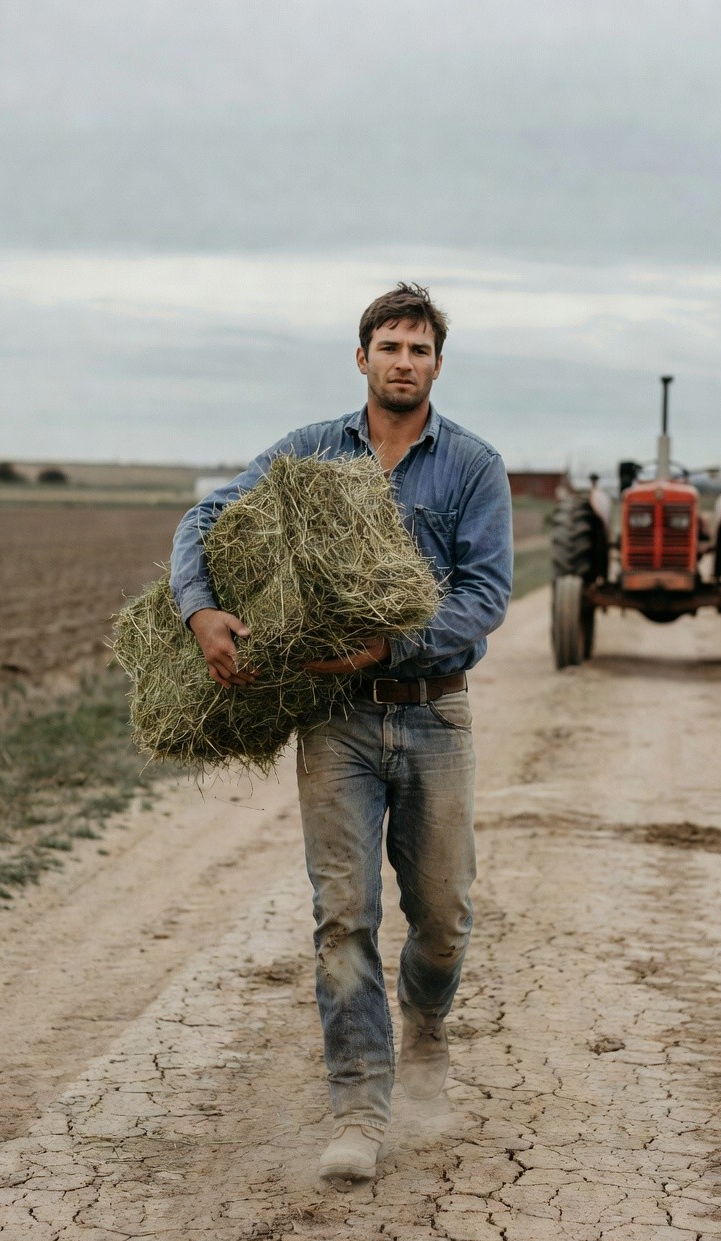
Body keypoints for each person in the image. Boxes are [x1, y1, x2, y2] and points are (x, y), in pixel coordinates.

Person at [170, 283, 513, 1182]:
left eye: (420, 350)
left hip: (436, 710)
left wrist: (390, 642)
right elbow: (205, 518)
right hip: (337, 723)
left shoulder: (473, 466)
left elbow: (486, 597)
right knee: (343, 918)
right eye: (390, 347)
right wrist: (200, 610)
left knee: (442, 917)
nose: (405, 362)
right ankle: (359, 1109)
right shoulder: (308, 452)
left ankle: (426, 1025)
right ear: (361, 357)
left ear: (438, 363)